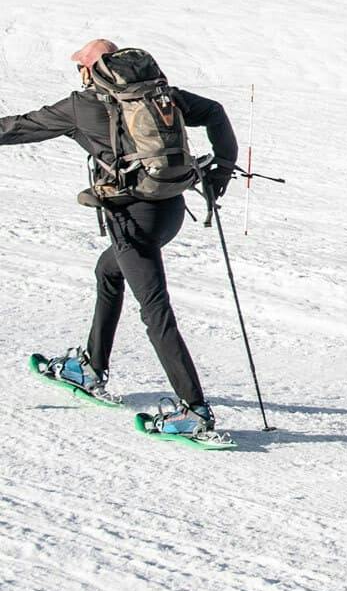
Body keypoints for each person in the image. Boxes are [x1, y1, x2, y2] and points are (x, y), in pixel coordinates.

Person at [1, 38, 237, 439]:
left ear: (89, 70)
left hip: (132, 221)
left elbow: (17, 127)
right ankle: (91, 366)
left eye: (80, 66)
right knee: (108, 271)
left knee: (156, 311)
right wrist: (222, 171)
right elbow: (215, 111)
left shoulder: (81, 106)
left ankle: (195, 412)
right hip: (170, 212)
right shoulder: (161, 96)